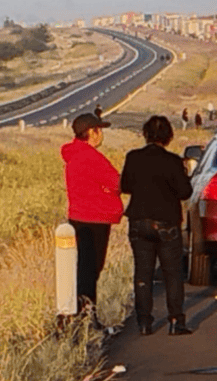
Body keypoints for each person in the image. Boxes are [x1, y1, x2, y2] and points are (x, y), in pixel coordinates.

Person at [121, 115, 194, 336]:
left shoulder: (133, 157)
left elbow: (125, 186)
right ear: (168, 137)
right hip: (167, 222)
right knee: (172, 273)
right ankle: (176, 321)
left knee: (142, 272)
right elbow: (185, 192)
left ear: (145, 134)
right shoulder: (172, 161)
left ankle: (144, 322)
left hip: (139, 220)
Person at [60, 113, 123, 324]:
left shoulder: (74, 155)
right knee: (91, 267)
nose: (101, 134)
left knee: (83, 266)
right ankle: (86, 313)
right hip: (95, 218)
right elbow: (116, 182)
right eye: (99, 130)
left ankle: (81, 311)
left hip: (78, 216)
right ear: (91, 132)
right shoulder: (90, 157)